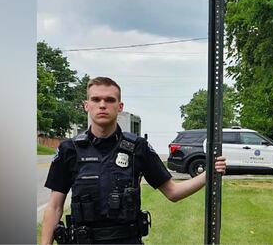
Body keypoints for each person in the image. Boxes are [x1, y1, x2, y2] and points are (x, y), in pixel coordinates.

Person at [40, 76, 227, 244]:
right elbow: (55, 207)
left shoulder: (138, 147)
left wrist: (208, 174)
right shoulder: (69, 150)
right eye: (96, 99)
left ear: (120, 107)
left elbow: (173, 192)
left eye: (110, 100)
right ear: (86, 105)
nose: (102, 105)